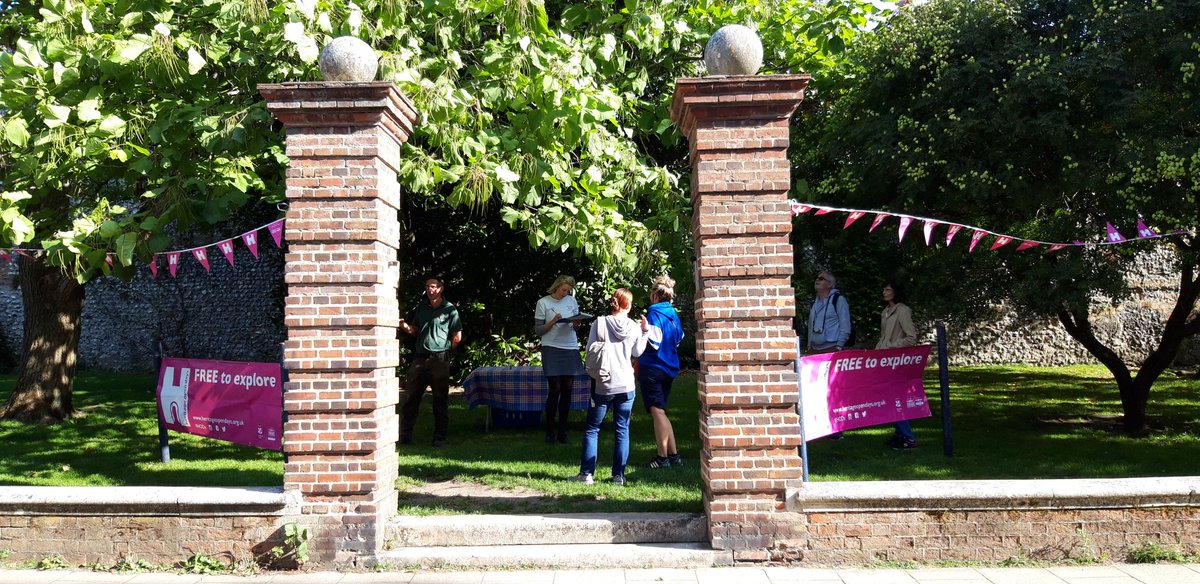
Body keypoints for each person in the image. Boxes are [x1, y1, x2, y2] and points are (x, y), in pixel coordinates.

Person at [569, 288, 647, 486]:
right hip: (626, 384)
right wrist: (645, 332)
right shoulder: (634, 327)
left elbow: (590, 350)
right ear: (628, 305)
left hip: (603, 383)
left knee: (592, 429)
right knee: (622, 430)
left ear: (614, 303)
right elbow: (637, 352)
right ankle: (618, 475)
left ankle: (586, 474)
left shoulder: (600, 323)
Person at [398, 277, 462, 448]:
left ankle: (439, 438)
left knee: (440, 399)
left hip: (439, 360)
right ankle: (404, 436)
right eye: (427, 286)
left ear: (441, 288)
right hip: (420, 359)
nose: (429, 290)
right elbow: (415, 330)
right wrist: (404, 326)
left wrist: (444, 351)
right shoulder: (422, 308)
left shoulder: (450, 309)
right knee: (411, 398)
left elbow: (457, 337)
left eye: (433, 286)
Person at [639, 276, 685, 469]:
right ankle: (674, 456)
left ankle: (662, 458)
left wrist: (643, 330)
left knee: (657, 412)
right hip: (670, 367)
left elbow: (654, 341)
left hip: (653, 367)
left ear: (654, 295)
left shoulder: (653, 311)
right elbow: (679, 337)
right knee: (662, 412)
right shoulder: (672, 312)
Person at [534, 275, 585, 444]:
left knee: (567, 390)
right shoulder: (543, 303)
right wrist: (553, 322)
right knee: (555, 389)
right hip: (551, 347)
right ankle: (550, 430)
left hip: (570, 347)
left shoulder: (571, 301)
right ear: (556, 287)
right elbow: (538, 330)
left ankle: (562, 430)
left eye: (568, 291)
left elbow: (576, 327)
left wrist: (577, 323)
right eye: (564, 290)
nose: (566, 293)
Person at [876, 281, 919, 450]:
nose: (884, 292)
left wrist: (892, 347)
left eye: (887, 289)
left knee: (893, 398)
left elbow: (911, 338)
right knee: (888, 398)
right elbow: (883, 337)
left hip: (896, 361)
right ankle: (900, 434)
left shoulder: (903, 310)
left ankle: (909, 437)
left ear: (895, 292)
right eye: (884, 289)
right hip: (883, 360)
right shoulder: (885, 312)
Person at [806, 270, 852, 354]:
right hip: (814, 350)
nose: (817, 280)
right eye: (816, 278)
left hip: (831, 348)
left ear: (829, 285)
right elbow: (810, 326)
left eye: (821, 278)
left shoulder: (838, 300)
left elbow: (845, 327)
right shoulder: (813, 302)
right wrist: (809, 347)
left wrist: (838, 347)